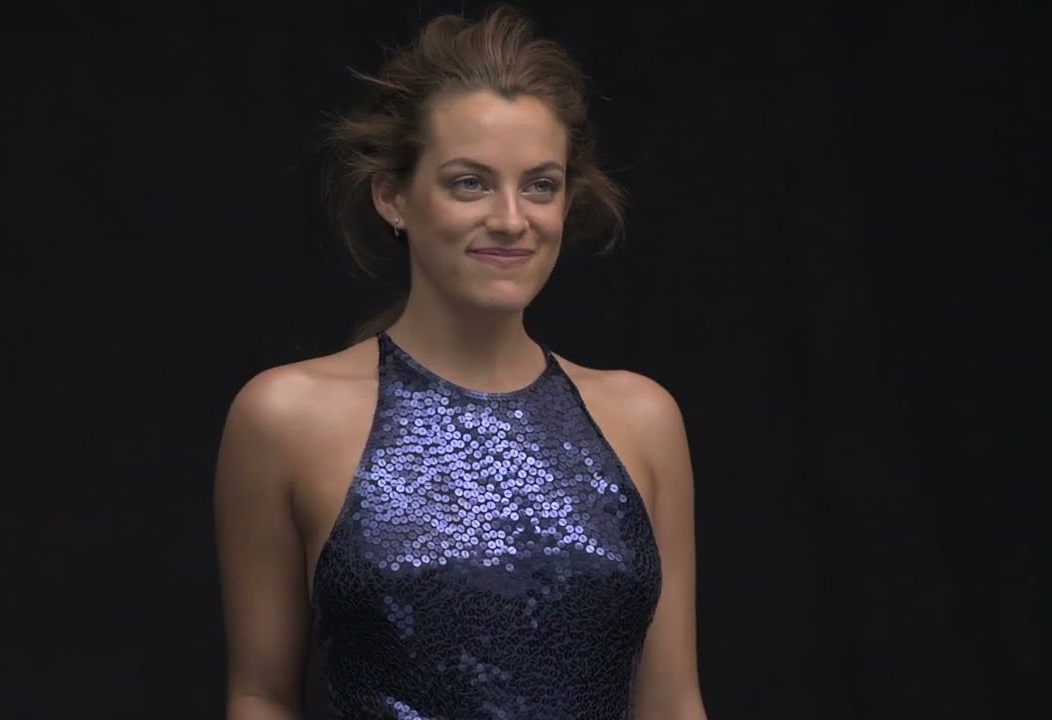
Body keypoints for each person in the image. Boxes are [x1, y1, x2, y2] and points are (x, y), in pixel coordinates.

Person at [214, 5, 707, 718]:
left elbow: (673, 703)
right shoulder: (286, 416)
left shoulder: (643, 419)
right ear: (394, 197)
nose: (510, 219)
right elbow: (261, 696)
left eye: (540, 184)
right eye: (469, 182)